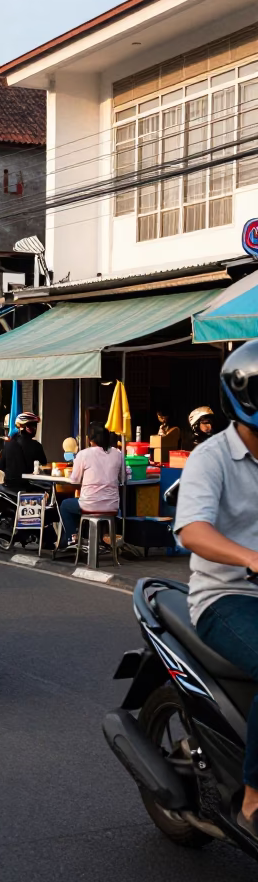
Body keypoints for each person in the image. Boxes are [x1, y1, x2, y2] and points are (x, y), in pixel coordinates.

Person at [175, 341, 258, 837]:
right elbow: (192, 531)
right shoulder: (212, 457)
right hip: (226, 598)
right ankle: (253, 798)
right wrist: (250, 557)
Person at [59, 422, 124, 547]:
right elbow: (122, 478)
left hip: (89, 505)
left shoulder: (83, 454)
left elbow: (75, 479)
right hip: (112, 506)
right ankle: (92, 538)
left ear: (90, 439)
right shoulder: (117, 454)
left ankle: (71, 538)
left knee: (65, 505)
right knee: (82, 504)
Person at [0, 412, 46, 489]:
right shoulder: (36, 446)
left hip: (8, 487)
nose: (35, 429)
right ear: (27, 428)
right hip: (27, 487)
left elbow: (1, 466)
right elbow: (44, 464)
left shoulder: (8, 444)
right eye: (34, 426)